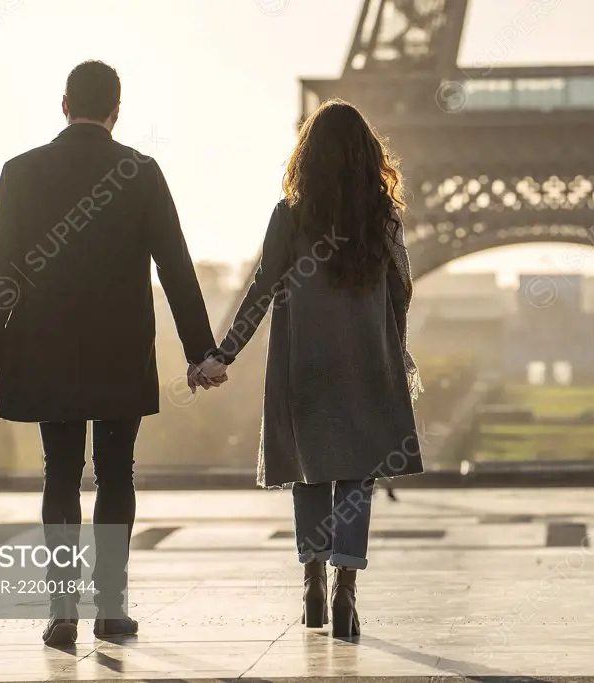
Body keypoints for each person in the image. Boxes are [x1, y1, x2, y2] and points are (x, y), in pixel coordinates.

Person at [0, 60, 227, 646]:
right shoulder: (141, 171)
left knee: (59, 473)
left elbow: (0, 274)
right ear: (117, 110)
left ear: (63, 105)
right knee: (116, 474)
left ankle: (62, 611)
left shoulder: (19, 172)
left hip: (43, 350)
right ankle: (111, 607)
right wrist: (199, 351)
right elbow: (175, 267)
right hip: (120, 350)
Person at [200, 99, 424, 639]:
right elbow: (401, 291)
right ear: (368, 157)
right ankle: (347, 589)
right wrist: (393, 346)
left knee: (309, 471)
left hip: (306, 363)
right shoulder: (381, 216)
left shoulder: (289, 214)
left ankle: (312, 582)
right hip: (367, 361)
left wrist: (222, 354)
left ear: (308, 156)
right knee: (356, 474)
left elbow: (259, 291)